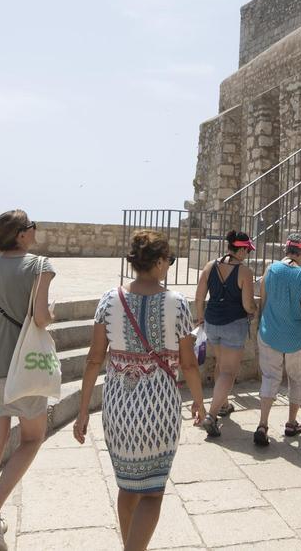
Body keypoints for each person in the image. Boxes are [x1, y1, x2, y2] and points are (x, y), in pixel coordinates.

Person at [72, 230, 205, 551]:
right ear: (159, 261)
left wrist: (81, 412)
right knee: (152, 492)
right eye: (168, 261)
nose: (169, 266)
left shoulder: (108, 299)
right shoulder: (177, 304)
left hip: (117, 405)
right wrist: (200, 402)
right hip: (159, 406)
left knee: (127, 486)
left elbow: (93, 360)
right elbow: (188, 364)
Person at [0, 210, 55, 551]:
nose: (35, 231)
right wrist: (53, 315)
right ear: (21, 234)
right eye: (32, 226)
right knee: (32, 439)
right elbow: (42, 317)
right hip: (23, 369)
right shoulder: (40, 266)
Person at [254, 233, 301, 446]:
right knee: (297, 377)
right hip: (295, 338)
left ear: (286, 249)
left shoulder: (270, 270)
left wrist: (261, 327)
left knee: (270, 376)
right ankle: (291, 423)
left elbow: (264, 300)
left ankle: (263, 424)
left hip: (269, 333)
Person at [193, 230, 258, 437]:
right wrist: (255, 310)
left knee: (221, 364)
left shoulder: (210, 266)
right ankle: (211, 416)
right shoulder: (245, 272)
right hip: (233, 324)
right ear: (239, 249)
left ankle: (224, 404)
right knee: (229, 371)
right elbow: (248, 305)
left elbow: (199, 297)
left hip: (212, 322)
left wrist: (201, 317)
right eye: (247, 250)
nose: (247, 254)